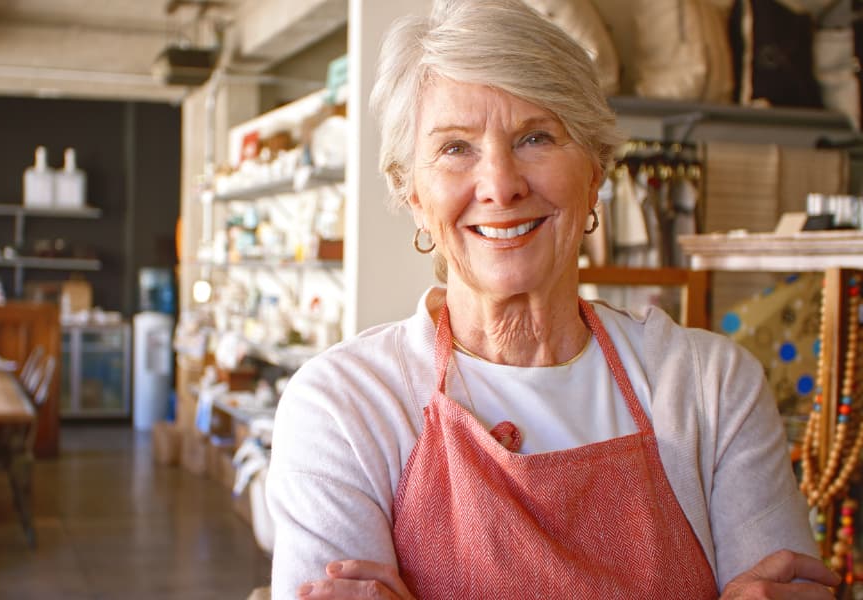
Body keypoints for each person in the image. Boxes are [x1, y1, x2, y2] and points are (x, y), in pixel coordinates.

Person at [265, 0, 839, 597]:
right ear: (411, 194)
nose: (501, 185)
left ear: (596, 171)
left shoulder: (710, 388)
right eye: (455, 148)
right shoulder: (345, 407)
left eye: (536, 137)